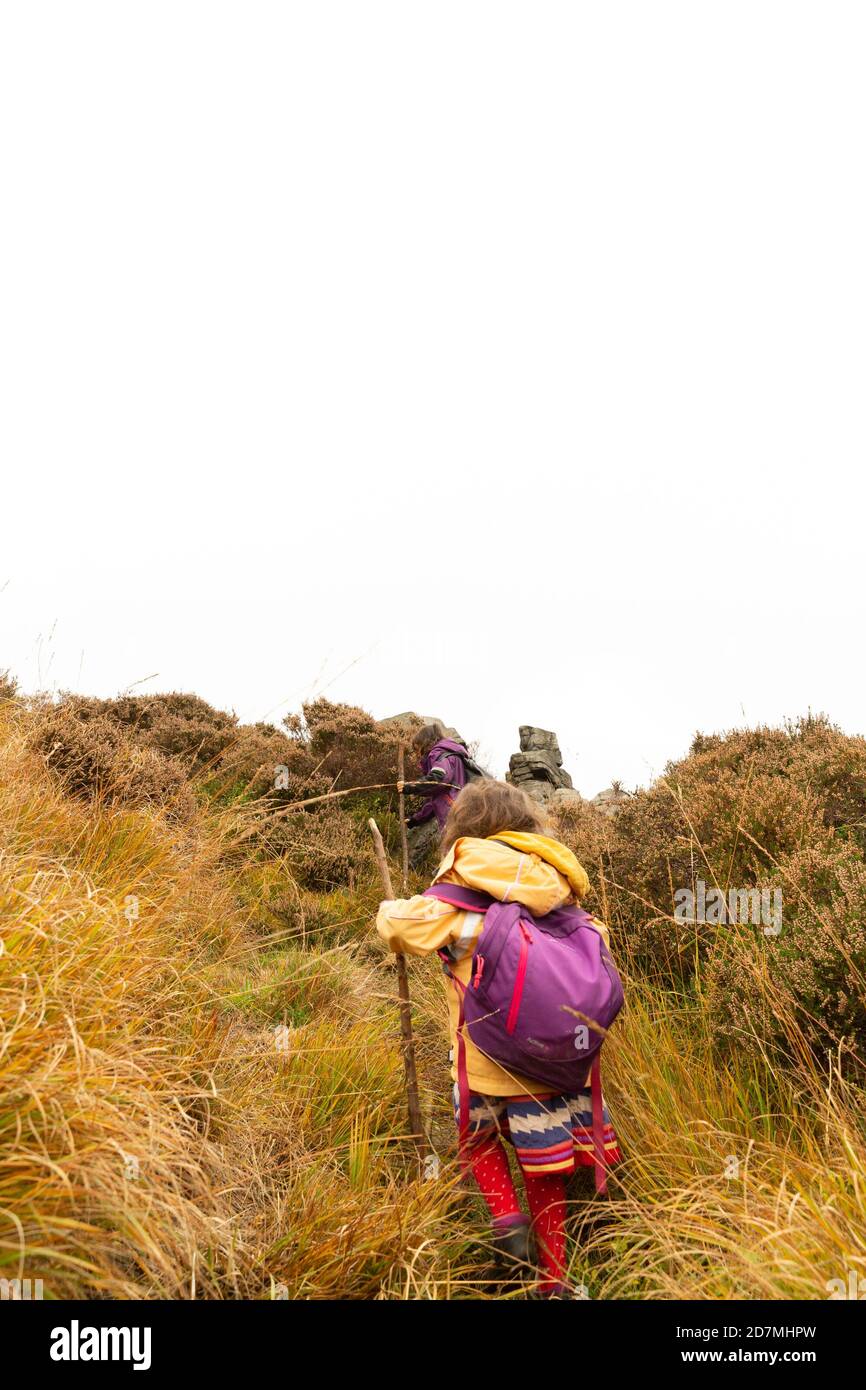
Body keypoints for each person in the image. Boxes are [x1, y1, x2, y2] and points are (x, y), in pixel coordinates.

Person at [376, 779, 620, 1296]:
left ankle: (509, 1226)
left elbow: (402, 930)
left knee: (478, 1140)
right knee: (546, 1167)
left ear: (467, 828)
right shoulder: (559, 884)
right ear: (528, 827)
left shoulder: (466, 899)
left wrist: (387, 908)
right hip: (555, 1063)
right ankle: (554, 1281)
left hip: (485, 1061)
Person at [398, 721, 473, 867]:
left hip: (453, 815)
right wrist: (415, 819)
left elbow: (438, 779)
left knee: (453, 856)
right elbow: (438, 800)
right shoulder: (453, 754)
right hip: (463, 809)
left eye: (417, 748)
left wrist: (409, 787)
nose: (417, 753)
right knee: (463, 854)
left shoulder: (438, 753)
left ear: (424, 742)